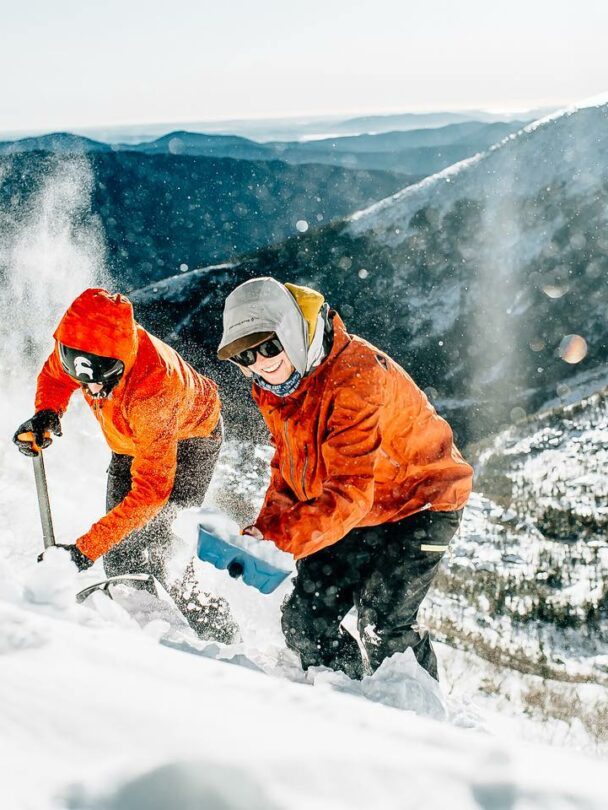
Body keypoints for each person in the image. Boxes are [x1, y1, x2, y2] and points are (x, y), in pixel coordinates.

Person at [217, 277, 473, 679]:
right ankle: (347, 706)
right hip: (353, 507)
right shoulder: (273, 385)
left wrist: (278, 543)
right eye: (244, 357)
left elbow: (350, 492)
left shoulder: (357, 375)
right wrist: (263, 533)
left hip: (420, 500)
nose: (260, 364)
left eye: (269, 346)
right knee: (305, 623)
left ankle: (420, 719)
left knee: (383, 626)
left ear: (293, 333)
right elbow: (290, 466)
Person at [14, 287, 238, 643]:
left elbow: (150, 493)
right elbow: (56, 377)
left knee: (167, 553)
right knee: (120, 556)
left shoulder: (154, 387)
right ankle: (142, 641)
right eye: (85, 378)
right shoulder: (82, 347)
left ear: (123, 358)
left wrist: (83, 552)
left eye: (105, 377)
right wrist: (47, 412)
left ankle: (221, 637)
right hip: (130, 440)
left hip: (191, 439)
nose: (93, 388)